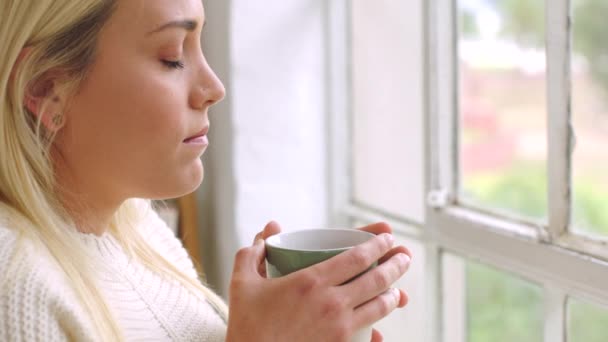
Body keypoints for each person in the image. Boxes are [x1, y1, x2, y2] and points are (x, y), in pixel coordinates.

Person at [0, 0, 412, 341]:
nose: (214, 88)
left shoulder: (138, 228)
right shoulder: (15, 290)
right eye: (172, 58)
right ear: (44, 88)